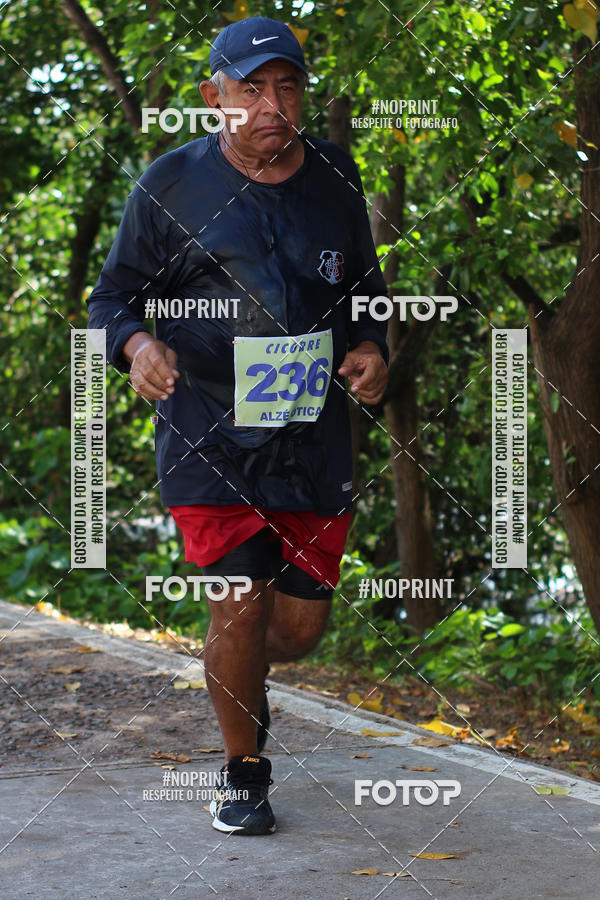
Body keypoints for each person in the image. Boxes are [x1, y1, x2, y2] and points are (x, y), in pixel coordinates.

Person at [87, 15, 388, 835]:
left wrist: (372, 346)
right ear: (212, 97)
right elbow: (108, 302)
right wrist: (138, 342)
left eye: (286, 86)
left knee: (294, 630)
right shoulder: (168, 186)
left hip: (311, 439)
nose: (270, 105)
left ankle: (242, 673)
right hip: (206, 435)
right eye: (250, 89)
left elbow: (366, 291)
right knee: (240, 605)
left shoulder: (335, 177)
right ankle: (242, 772)